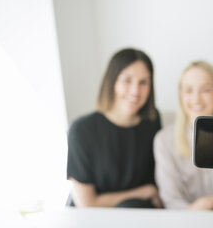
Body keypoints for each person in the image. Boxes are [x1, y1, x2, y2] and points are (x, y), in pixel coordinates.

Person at [66, 48, 162, 208]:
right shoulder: (81, 131)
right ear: (112, 82)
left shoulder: (152, 121)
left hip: (139, 216)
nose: (135, 91)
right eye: (127, 80)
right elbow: (87, 204)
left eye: (143, 82)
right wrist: (143, 192)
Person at [154, 61, 213, 210]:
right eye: (189, 90)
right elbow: (171, 198)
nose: (196, 99)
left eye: (205, 90)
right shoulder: (164, 140)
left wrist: (212, 202)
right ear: (180, 95)